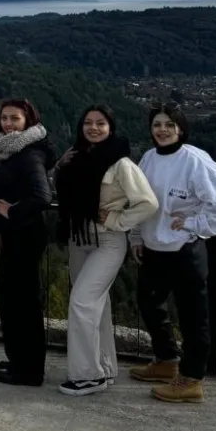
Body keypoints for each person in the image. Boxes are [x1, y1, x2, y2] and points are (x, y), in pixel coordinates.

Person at [129, 102, 216, 403]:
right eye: (157, 124)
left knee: (193, 317)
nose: (162, 130)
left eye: (169, 124)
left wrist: (195, 224)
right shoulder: (148, 158)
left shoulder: (194, 160)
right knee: (149, 302)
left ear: (181, 129)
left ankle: (191, 379)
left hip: (184, 249)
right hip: (154, 247)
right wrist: (137, 236)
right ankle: (167, 361)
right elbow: (140, 201)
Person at [54, 104, 158, 396]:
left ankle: (88, 376)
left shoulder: (121, 164)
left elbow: (148, 203)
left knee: (82, 302)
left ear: (111, 127)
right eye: (88, 122)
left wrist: (117, 220)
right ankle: (106, 368)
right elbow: (64, 195)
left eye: (100, 123)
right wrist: (60, 167)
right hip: (79, 238)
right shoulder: (75, 157)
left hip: (108, 241)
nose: (93, 128)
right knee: (97, 308)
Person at [0, 98, 55, 386]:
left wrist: (11, 211)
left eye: (15, 118)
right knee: (10, 300)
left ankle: (30, 370)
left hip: (25, 237)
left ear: (28, 120)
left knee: (23, 304)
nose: (8, 123)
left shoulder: (29, 154)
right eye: (4, 118)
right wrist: (2, 228)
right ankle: (19, 360)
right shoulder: (9, 150)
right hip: (14, 236)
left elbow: (42, 196)